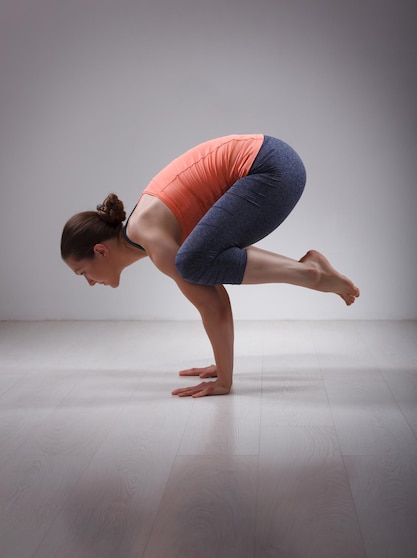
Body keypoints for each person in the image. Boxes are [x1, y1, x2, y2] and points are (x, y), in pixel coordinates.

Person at [61, 134, 360, 397]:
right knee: (196, 259)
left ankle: (309, 273)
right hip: (278, 163)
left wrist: (224, 383)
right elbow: (216, 297)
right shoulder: (150, 228)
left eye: (82, 272)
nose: (88, 281)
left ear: (100, 251)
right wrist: (221, 366)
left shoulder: (151, 237)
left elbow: (214, 307)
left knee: (190, 262)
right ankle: (309, 269)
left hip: (272, 169)